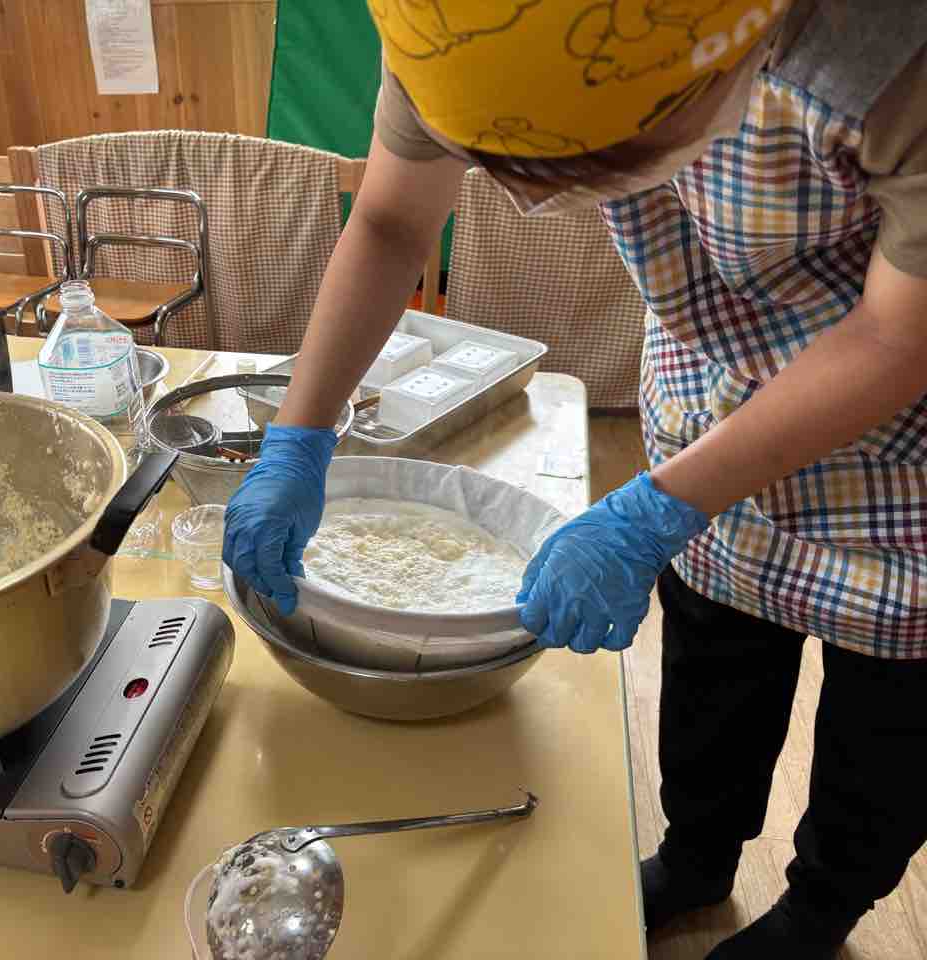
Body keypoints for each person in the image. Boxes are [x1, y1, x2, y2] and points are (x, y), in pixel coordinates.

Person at [222, 2, 927, 957]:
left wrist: (655, 509)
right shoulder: (452, 27)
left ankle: (820, 912)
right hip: (712, 393)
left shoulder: (894, 58)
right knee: (714, 666)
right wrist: (298, 435)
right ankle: (698, 857)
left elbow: (897, 336)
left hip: (910, 441)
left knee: (887, 728)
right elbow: (391, 219)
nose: (537, 203)